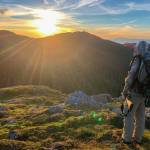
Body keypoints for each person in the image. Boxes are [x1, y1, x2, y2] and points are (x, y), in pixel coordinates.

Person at [121, 41, 150, 145]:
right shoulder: (148, 60)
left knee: (128, 116)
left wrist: (124, 92)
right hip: (144, 94)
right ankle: (138, 139)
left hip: (133, 94)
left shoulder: (138, 59)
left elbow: (130, 77)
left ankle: (126, 139)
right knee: (140, 117)